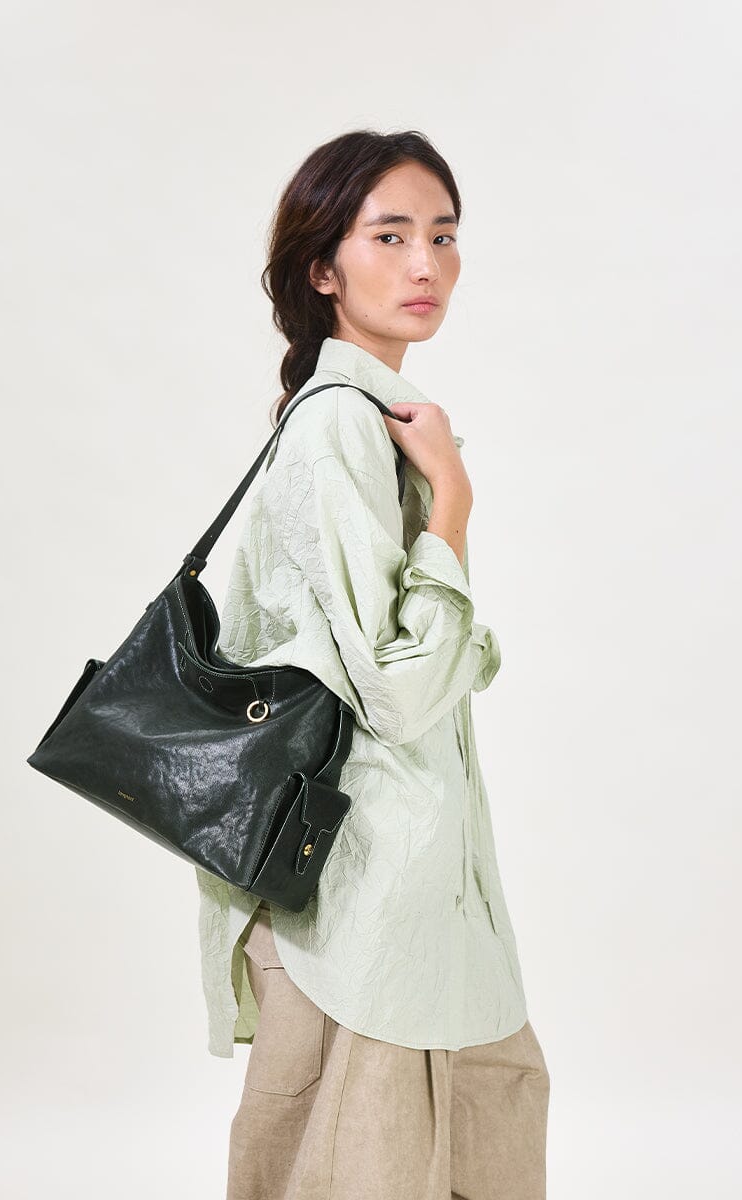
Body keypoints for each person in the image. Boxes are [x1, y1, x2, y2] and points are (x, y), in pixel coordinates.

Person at [195, 129, 550, 1200]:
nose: (425, 263)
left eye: (443, 235)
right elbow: (398, 693)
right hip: (360, 900)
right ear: (322, 268)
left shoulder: (375, 423)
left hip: (407, 895)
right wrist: (453, 506)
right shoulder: (339, 431)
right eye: (389, 236)